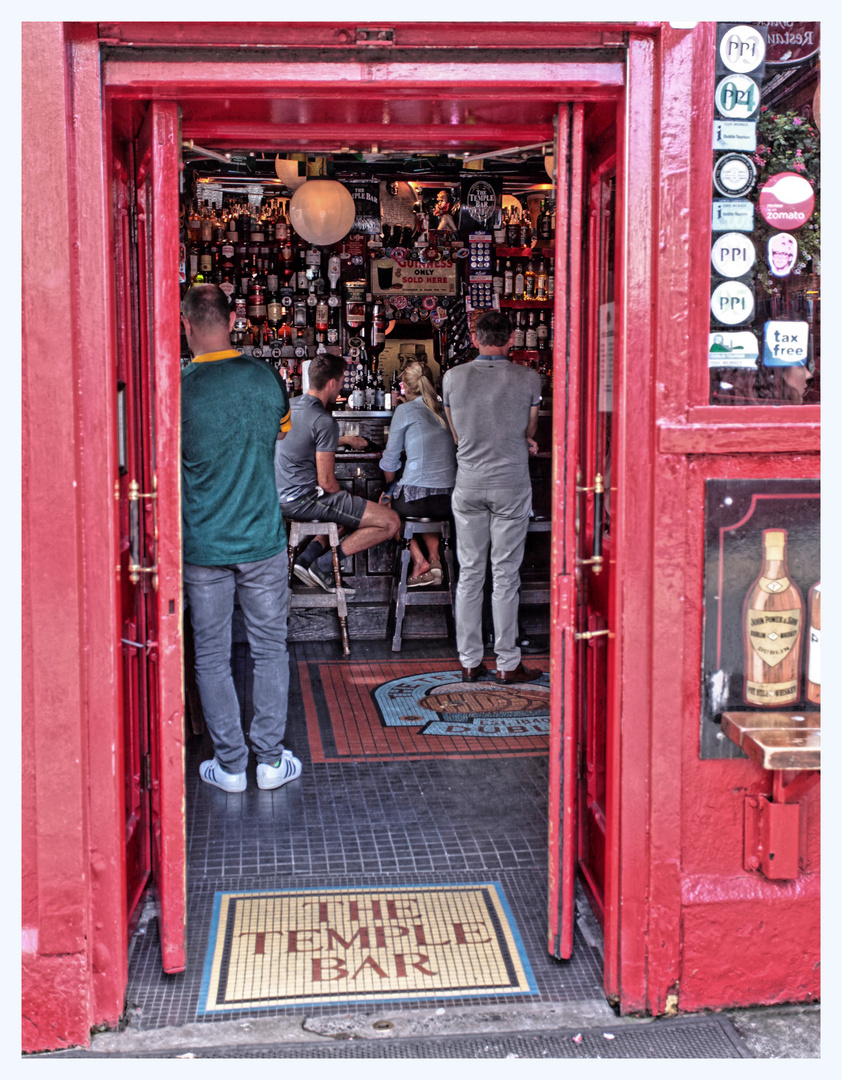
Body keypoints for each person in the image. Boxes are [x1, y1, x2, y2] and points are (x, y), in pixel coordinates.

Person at [180, 283, 301, 793]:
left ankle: (230, 766)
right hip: (261, 538)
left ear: (186, 326)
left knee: (211, 655)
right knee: (269, 649)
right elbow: (282, 433)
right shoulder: (265, 378)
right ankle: (270, 762)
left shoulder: (179, 386)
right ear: (233, 320)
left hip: (204, 544)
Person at [442, 310, 543, 683]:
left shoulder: (453, 377)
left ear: (474, 339)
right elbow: (529, 430)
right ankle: (507, 662)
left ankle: (469, 661)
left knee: (469, 574)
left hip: (468, 483)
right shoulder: (528, 378)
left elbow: (455, 434)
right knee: (505, 575)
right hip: (511, 484)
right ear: (512, 339)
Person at [276, 352, 400, 591]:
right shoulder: (323, 420)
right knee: (390, 521)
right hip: (304, 500)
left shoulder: (289, 407)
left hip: (279, 498)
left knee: (347, 509)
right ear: (331, 383)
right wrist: (346, 500)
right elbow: (326, 482)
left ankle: (305, 559)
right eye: (342, 382)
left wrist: (344, 440)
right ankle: (323, 566)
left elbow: (301, 440)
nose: (341, 388)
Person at [379, 360, 456, 587]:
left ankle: (419, 560)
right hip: (449, 500)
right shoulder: (445, 406)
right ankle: (435, 560)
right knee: (421, 500)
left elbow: (390, 462)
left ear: (405, 386)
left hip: (420, 501)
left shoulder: (405, 411)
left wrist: (389, 487)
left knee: (386, 506)